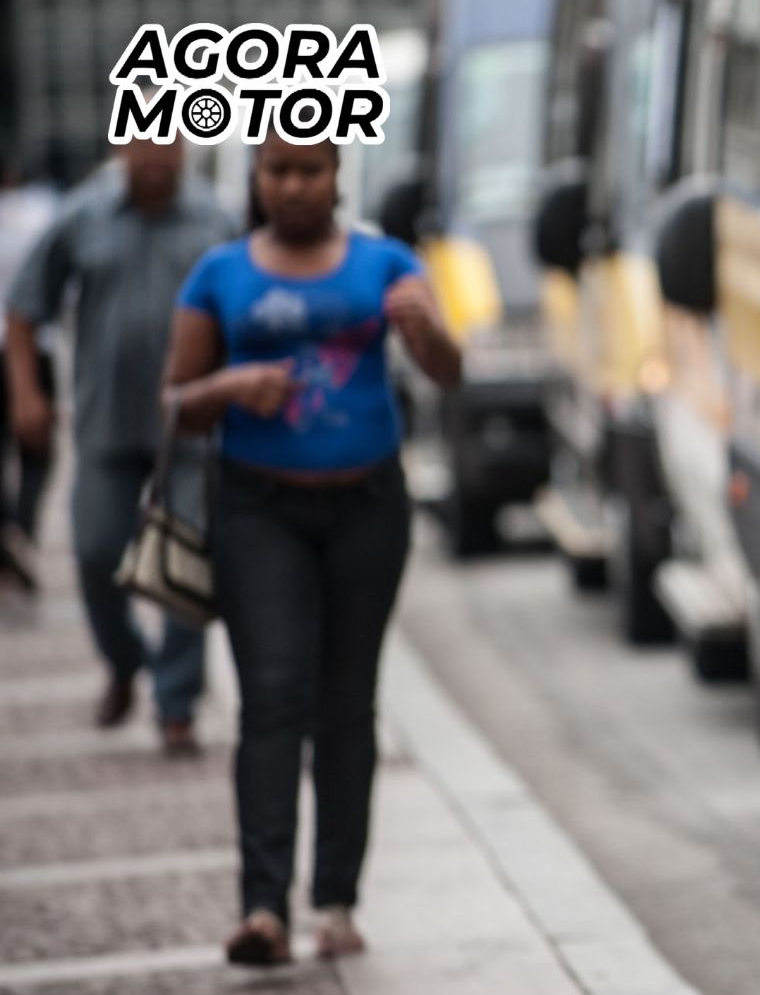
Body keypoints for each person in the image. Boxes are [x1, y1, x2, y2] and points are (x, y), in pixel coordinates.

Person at [163, 132, 460, 966]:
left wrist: (428, 333)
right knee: (271, 699)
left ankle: (335, 900)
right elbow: (175, 401)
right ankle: (264, 909)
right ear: (256, 176)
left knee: (346, 703)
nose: (293, 185)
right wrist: (229, 386)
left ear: (336, 174)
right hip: (260, 512)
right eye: (278, 170)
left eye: (310, 169)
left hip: (368, 508)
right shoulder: (219, 274)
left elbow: (449, 371)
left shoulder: (386, 263)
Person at [4, 137, 238, 747]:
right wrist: (26, 394)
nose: (156, 156)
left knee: (187, 560)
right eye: (144, 143)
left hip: (190, 429)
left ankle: (176, 704)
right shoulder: (82, 216)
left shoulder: (216, 220)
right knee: (96, 551)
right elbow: (24, 309)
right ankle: (127, 659)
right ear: (122, 146)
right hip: (105, 422)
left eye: (169, 143)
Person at [0, 151, 58, 586]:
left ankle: (11, 531)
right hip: (36, 345)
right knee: (38, 452)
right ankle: (20, 528)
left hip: (28, 342)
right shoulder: (41, 212)